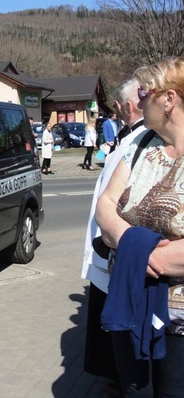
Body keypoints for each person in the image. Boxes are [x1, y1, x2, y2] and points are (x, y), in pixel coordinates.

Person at [96, 57, 184, 396]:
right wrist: (131, 243)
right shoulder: (140, 144)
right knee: (135, 390)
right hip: (130, 300)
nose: (138, 99)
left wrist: (152, 259)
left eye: (145, 92)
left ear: (169, 99)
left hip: (179, 321)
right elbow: (106, 207)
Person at [81, 78, 145, 386]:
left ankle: (119, 383)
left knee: (115, 337)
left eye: (118, 109)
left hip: (116, 255)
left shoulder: (140, 143)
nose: (116, 114)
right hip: (109, 252)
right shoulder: (130, 138)